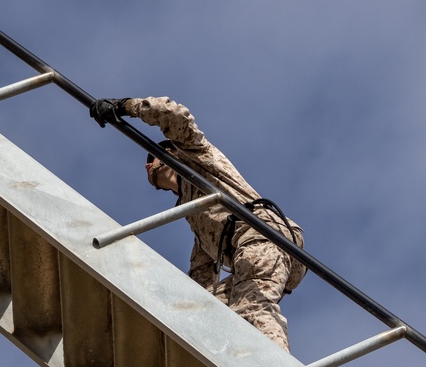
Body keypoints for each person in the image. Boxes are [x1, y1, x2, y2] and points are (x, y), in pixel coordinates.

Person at [90, 96, 305, 352]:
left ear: (171, 152)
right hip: (254, 250)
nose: (148, 165)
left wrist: (126, 106)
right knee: (211, 312)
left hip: (262, 235)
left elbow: (174, 114)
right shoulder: (195, 214)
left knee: (251, 307)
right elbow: (202, 274)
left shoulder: (197, 158)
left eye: (153, 157)